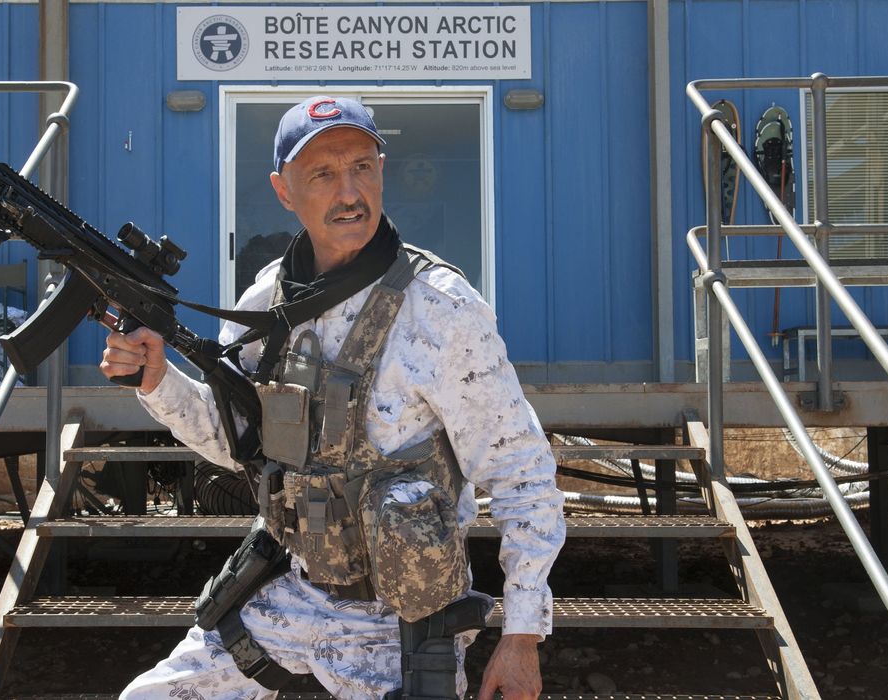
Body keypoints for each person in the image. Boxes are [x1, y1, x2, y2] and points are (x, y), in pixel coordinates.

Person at [101, 95, 565, 700]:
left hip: (397, 624)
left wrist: (523, 634)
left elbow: (522, 474)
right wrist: (157, 380)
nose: (349, 193)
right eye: (322, 174)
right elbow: (233, 442)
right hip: (290, 591)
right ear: (283, 191)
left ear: (381, 172)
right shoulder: (268, 302)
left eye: (362, 167)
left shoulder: (441, 309)